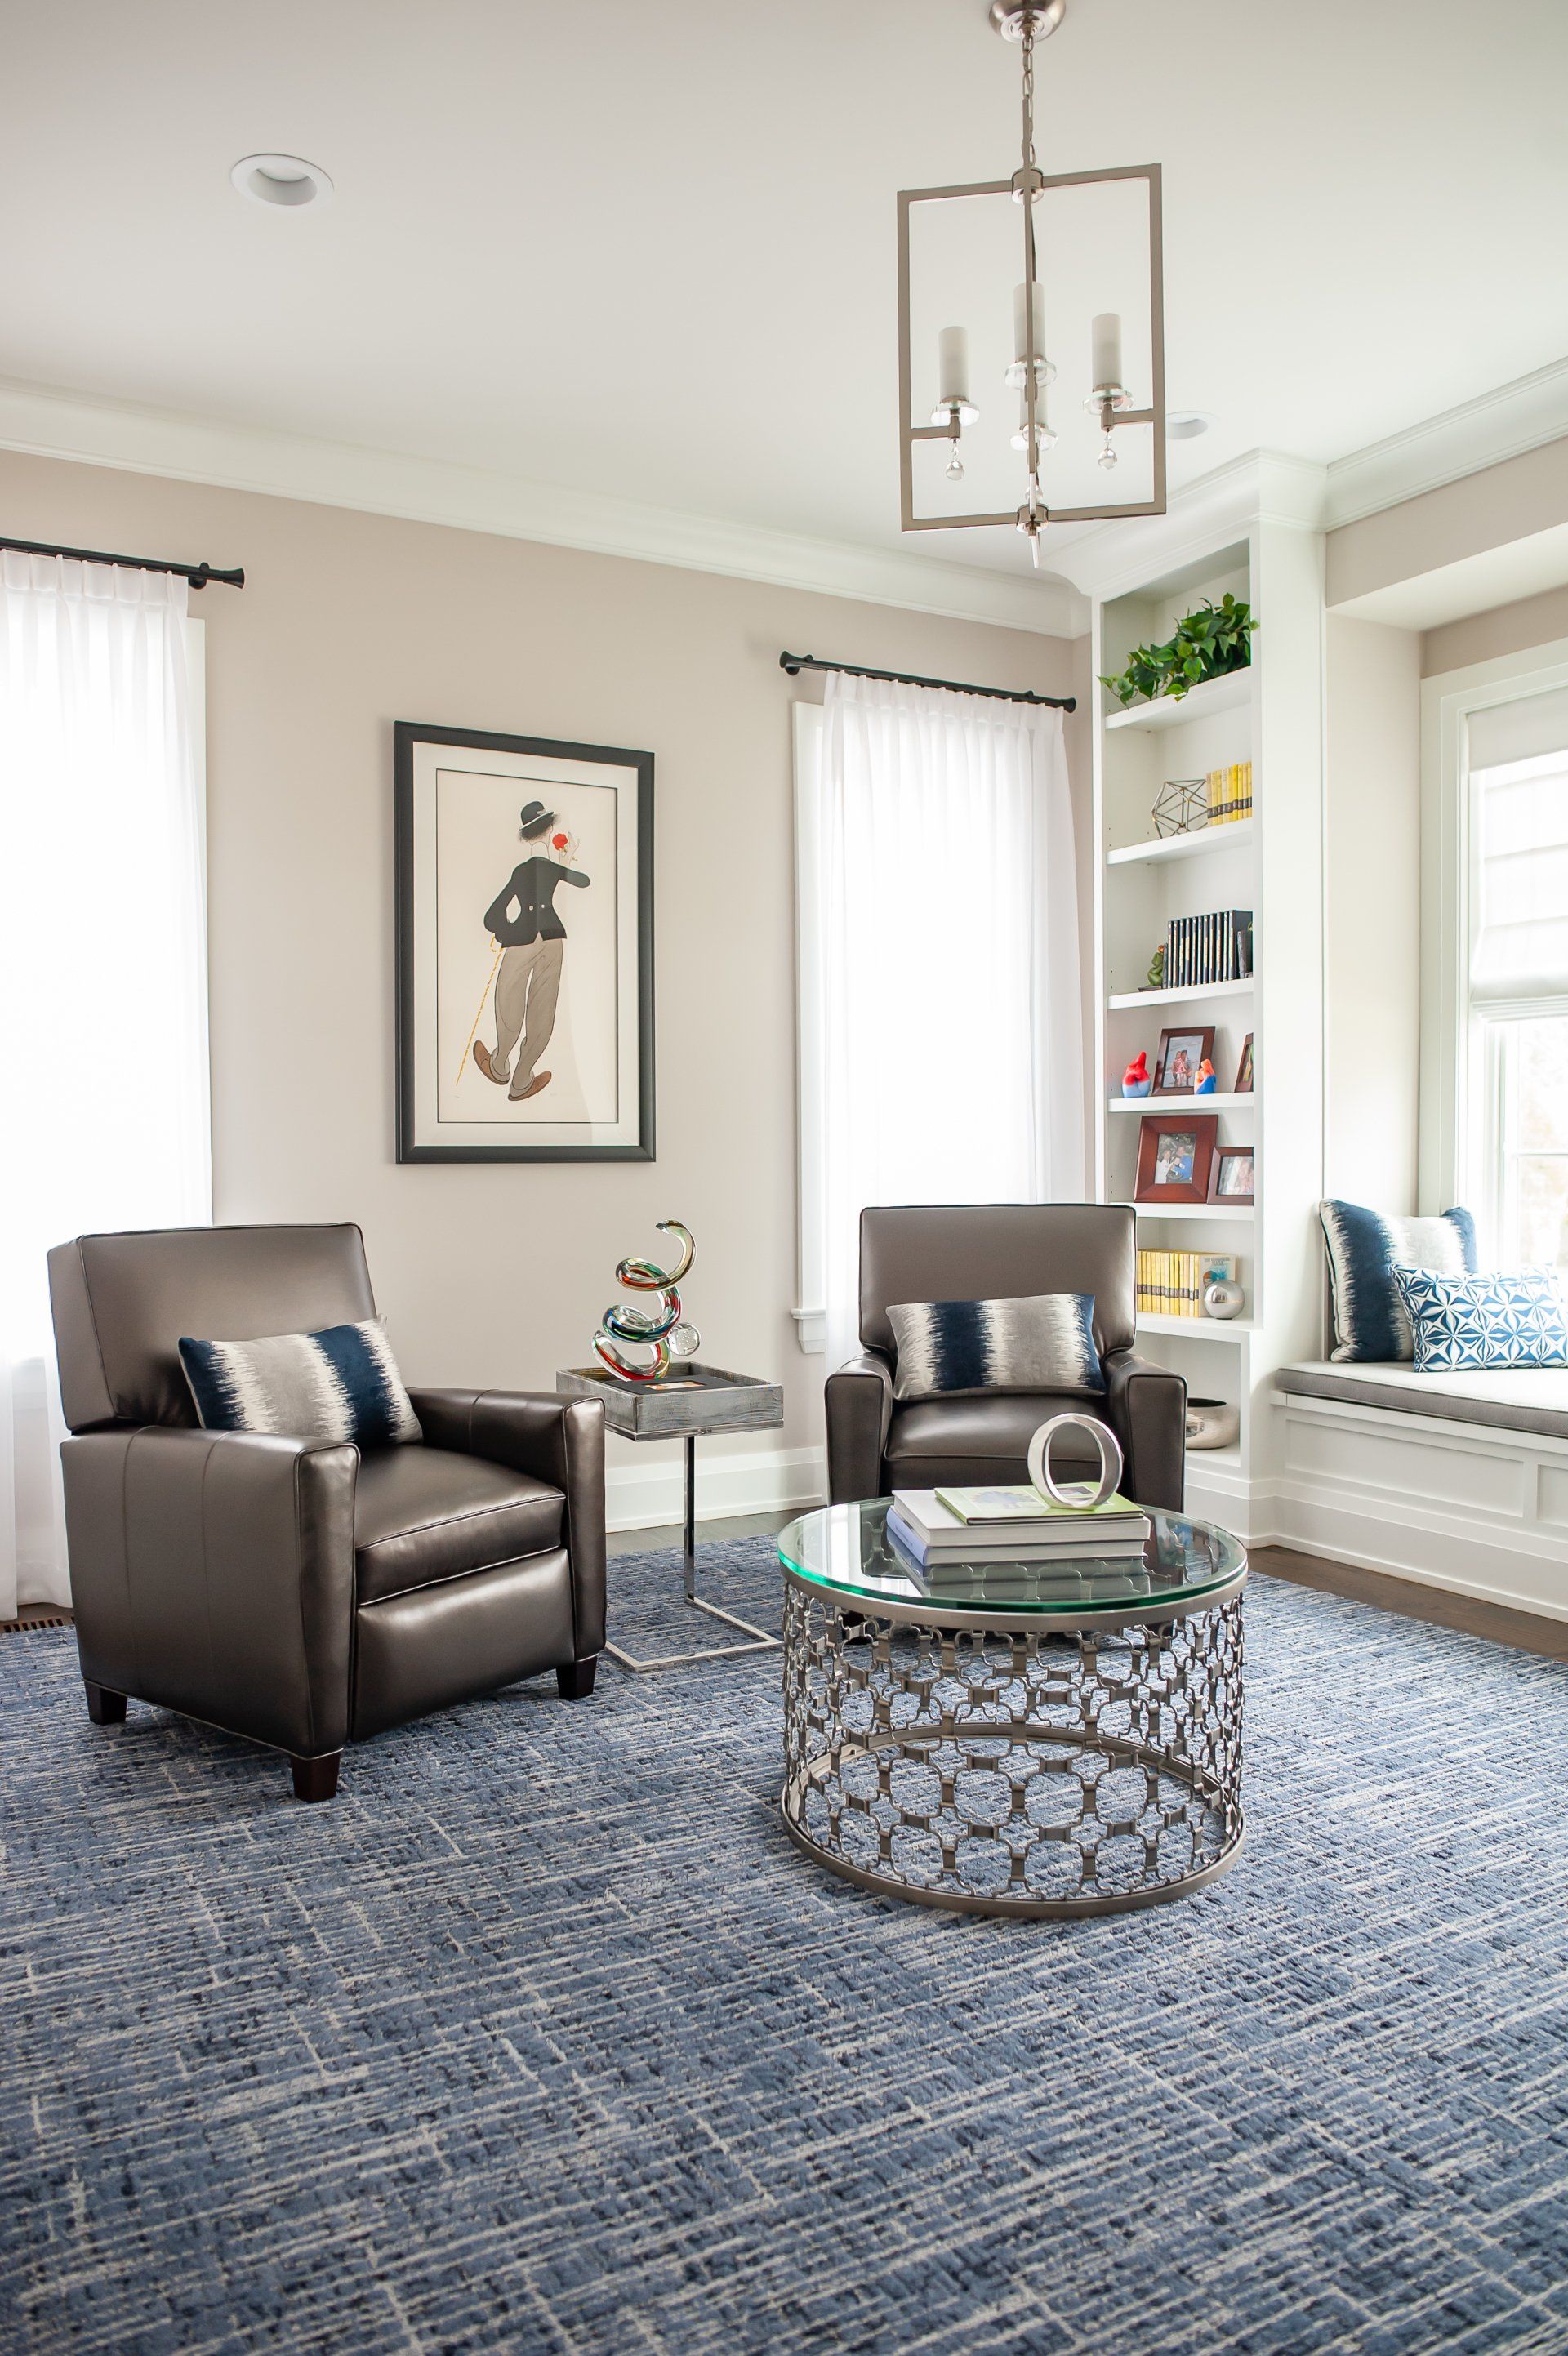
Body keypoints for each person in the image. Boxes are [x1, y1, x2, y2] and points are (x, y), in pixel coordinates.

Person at [472, 800, 589, 1102]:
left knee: (508, 998)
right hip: (552, 939)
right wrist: (567, 860)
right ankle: (522, 1079)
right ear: (550, 829)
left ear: (526, 837)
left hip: (522, 939)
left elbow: (491, 917)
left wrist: (508, 934)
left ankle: (499, 1067)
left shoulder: (521, 871)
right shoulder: (552, 869)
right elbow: (584, 881)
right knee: (543, 1007)